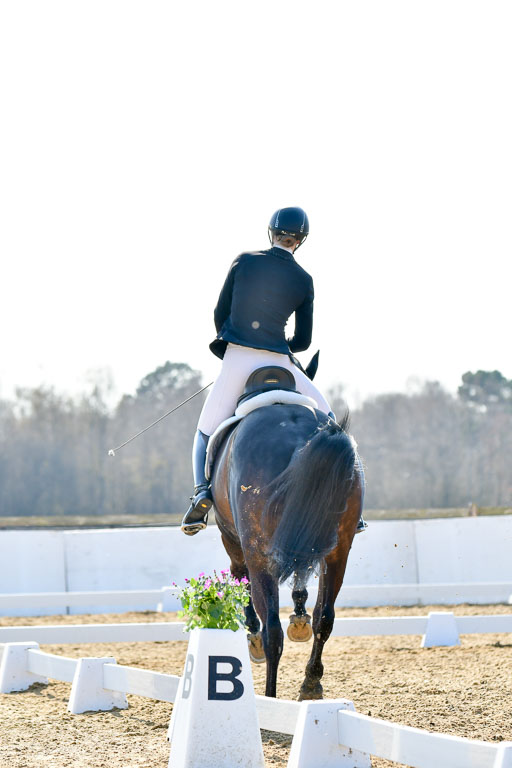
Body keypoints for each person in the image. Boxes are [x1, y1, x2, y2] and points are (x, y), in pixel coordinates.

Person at [181, 207, 366, 536]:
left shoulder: (244, 261)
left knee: (205, 433)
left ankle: (200, 495)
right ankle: (352, 505)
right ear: (300, 240)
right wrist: (279, 344)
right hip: (281, 360)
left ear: (271, 232)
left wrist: (238, 339)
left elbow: (220, 312)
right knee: (333, 424)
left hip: (237, 357)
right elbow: (304, 341)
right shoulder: (304, 279)